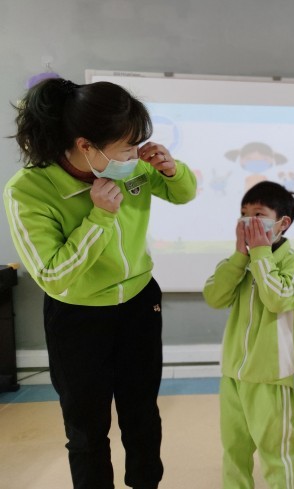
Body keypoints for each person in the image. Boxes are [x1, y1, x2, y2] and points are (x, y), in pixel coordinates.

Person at [3, 78, 197, 489]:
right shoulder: (29, 191)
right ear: (86, 145)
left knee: (143, 415)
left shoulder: (133, 168)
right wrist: (100, 218)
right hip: (78, 316)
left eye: (137, 145)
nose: (135, 156)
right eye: (126, 148)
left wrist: (172, 169)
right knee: (87, 429)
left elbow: (184, 196)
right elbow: (54, 273)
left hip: (140, 303)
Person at [203, 181, 294, 489]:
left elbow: (277, 299)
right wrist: (239, 258)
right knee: (234, 450)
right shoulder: (239, 263)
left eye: (258, 214)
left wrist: (261, 254)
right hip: (233, 374)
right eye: (243, 214)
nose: (248, 221)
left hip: (270, 376)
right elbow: (214, 296)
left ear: (282, 223)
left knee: (278, 453)